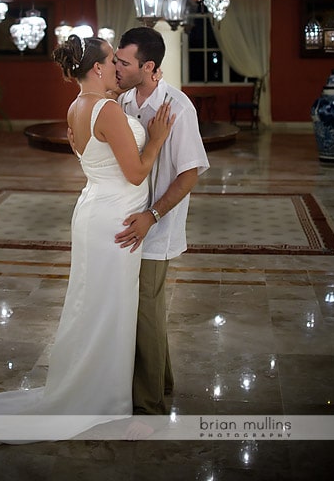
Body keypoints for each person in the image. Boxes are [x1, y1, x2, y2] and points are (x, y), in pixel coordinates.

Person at [0, 34, 174, 458]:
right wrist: (157, 138)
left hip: (95, 210)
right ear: (98, 69)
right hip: (115, 220)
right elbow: (135, 173)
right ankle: (97, 395)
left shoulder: (77, 106)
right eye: (112, 60)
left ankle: (95, 386)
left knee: (95, 305)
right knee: (107, 306)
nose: (118, 67)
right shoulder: (106, 109)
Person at [113, 26, 210, 416]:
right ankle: (163, 381)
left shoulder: (178, 108)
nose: (116, 66)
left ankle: (149, 404)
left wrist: (152, 216)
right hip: (124, 221)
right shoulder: (122, 102)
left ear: (149, 66)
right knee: (139, 309)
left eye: (123, 62)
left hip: (154, 226)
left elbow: (190, 173)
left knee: (147, 311)